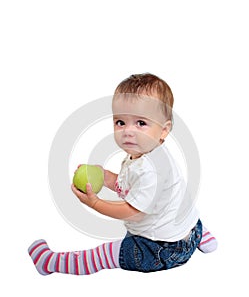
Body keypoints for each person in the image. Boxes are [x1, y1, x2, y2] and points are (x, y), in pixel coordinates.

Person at [28, 73, 217, 275]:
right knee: (175, 195)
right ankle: (196, 234)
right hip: (186, 227)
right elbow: (128, 184)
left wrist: (94, 203)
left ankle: (49, 263)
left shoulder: (152, 171)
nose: (128, 131)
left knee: (104, 254)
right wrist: (103, 175)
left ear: (164, 130)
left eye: (141, 123)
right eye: (120, 122)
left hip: (162, 248)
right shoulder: (147, 152)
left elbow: (133, 212)